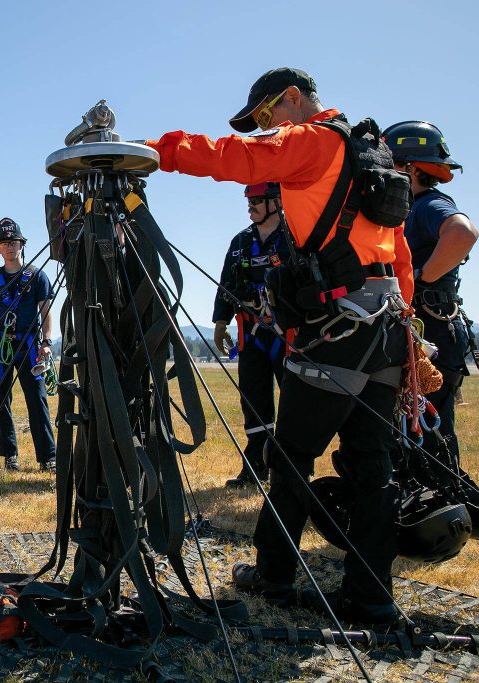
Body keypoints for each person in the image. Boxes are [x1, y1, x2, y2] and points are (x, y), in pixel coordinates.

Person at [147, 67, 414, 625]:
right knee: (372, 466)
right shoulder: (372, 150)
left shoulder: (311, 142)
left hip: (338, 329)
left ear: (292, 98)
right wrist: (408, 331)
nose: (266, 130)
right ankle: (372, 597)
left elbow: (231, 156)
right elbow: (398, 249)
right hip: (386, 326)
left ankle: (273, 573)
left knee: (289, 455)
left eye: (267, 117)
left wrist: (152, 152)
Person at [382, 121, 477, 474]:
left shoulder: (428, 205)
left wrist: (422, 277)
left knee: (433, 429)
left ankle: (446, 505)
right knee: (411, 424)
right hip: (423, 329)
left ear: (409, 168)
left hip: (432, 329)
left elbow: (463, 232)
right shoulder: (410, 209)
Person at [213, 184, 290, 487]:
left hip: (288, 336)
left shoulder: (293, 238)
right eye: (249, 201)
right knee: (253, 401)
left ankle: (290, 469)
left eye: (257, 200)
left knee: (293, 402)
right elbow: (225, 284)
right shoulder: (240, 242)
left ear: (277, 201)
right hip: (252, 336)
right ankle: (255, 465)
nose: (251, 206)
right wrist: (220, 322)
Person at [0, 218, 57, 471]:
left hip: (31, 346)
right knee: (1, 401)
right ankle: (10, 456)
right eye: (4, 243)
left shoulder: (38, 276)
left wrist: (46, 342)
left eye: (13, 242)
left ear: (21, 244)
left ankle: (48, 457)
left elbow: (45, 312)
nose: (10, 247)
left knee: (37, 399)